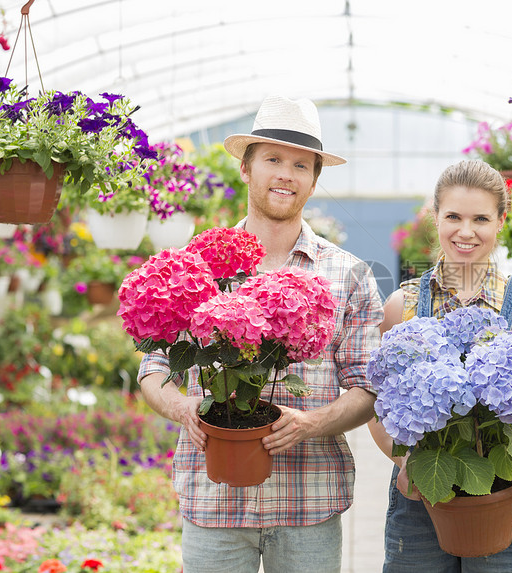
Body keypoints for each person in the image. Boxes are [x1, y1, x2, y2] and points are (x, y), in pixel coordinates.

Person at [137, 95, 384, 573]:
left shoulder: (348, 275)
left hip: (308, 504)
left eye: (300, 165)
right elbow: (154, 367)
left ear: (314, 180)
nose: (286, 174)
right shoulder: (196, 265)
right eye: (272, 159)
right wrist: (180, 406)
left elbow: (366, 385)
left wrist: (312, 423)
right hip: (214, 506)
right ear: (247, 169)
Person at [368, 159, 512, 572]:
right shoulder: (402, 306)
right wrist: (404, 464)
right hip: (418, 497)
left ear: (501, 222)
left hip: (502, 492)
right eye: (453, 216)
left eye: (481, 219)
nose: (466, 231)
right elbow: (375, 402)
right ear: (434, 217)